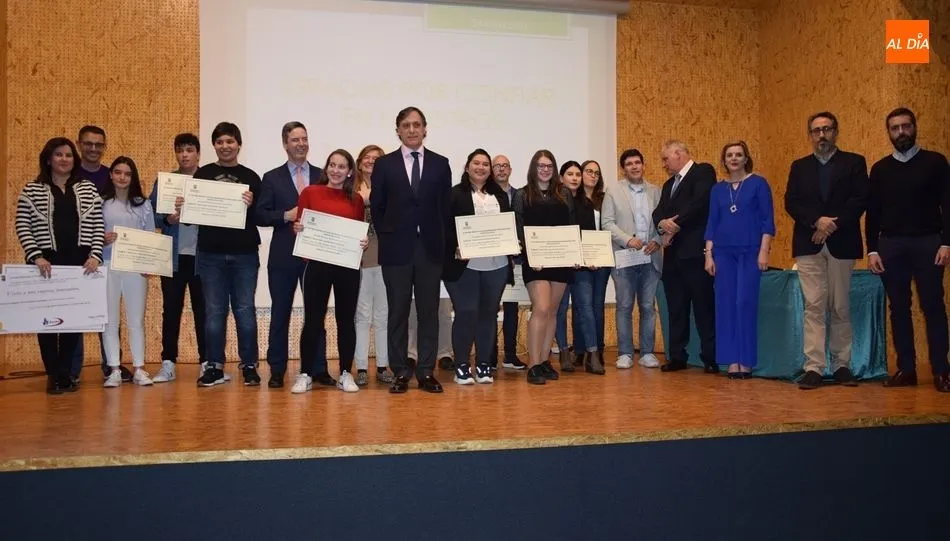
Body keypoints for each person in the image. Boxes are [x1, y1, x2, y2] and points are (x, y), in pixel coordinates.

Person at [867, 107, 950, 393]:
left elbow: (947, 205)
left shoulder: (936, 162)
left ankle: (942, 371)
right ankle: (907, 369)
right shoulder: (879, 170)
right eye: (895, 128)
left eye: (905, 126)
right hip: (891, 245)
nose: (901, 132)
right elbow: (872, 212)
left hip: (929, 242)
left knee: (933, 307)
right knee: (899, 308)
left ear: (914, 128)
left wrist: (946, 242)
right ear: (888, 132)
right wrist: (872, 250)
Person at [370, 106, 452, 394]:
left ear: (425, 128)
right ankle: (401, 371)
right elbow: (377, 208)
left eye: (417, 124)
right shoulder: (384, 164)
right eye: (406, 125)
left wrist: (446, 247)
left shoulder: (441, 164)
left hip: (430, 251)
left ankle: (427, 371)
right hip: (397, 251)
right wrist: (390, 236)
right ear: (398, 130)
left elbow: (445, 210)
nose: (412, 129)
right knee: (398, 312)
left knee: (429, 311)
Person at [784, 112, 868, 390]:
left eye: (827, 129)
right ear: (809, 135)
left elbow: (859, 199)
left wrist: (832, 224)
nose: (822, 135)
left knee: (840, 305)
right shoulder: (799, 166)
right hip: (808, 245)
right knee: (814, 307)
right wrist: (816, 221)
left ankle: (842, 365)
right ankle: (814, 367)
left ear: (836, 132)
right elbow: (792, 202)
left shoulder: (854, 163)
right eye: (816, 130)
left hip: (842, 243)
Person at [15, 137, 104, 393]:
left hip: (79, 265)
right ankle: (52, 373)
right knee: (45, 322)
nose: (64, 159)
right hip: (45, 264)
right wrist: (36, 256)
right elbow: (23, 226)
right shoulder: (31, 190)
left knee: (72, 322)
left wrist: (95, 255)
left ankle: (65, 372)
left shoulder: (87, 188)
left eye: (68, 155)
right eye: (59, 155)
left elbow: (98, 224)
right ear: (48, 159)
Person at [185, 122, 261, 387]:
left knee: (245, 310)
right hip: (210, 254)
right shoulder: (202, 175)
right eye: (219, 142)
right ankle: (214, 365)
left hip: (245, 254)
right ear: (214, 146)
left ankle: (249, 364)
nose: (225, 146)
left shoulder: (251, 176)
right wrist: (185, 206)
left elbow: (260, 215)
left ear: (239, 144)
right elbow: (191, 217)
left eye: (230, 141)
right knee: (214, 311)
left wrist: (251, 205)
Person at [256, 121, 331, 389]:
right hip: (283, 257)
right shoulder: (271, 177)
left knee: (316, 313)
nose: (301, 144)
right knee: (280, 313)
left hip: (315, 256)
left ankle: (318, 367)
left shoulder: (323, 175)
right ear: (285, 144)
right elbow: (260, 214)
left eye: (304, 139)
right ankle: (277, 369)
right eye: (295, 140)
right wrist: (283, 216)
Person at [291, 150, 368, 394]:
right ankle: (305, 374)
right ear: (327, 168)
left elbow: (356, 230)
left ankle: (346, 373)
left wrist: (362, 242)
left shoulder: (356, 199)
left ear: (349, 171)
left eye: (341, 166)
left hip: (346, 267)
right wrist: (299, 229)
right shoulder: (310, 193)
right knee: (313, 320)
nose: (336, 170)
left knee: (346, 320)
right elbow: (301, 226)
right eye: (332, 165)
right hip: (317, 264)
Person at [703, 142, 775, 378]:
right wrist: (709, 255)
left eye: (738, 155)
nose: (734, 158)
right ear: (724, 161)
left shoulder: (758, 184)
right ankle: (731, 360)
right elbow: (712, 223)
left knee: (744, 303)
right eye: (729, 155)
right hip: (723, 253)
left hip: (750, 251)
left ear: (746, 159)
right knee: (725, 306)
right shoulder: (717, 189)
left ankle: (746, 360)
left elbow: (767, 221)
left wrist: (764, 251)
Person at [443, 148, 514, 385]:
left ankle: (484, 365)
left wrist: (513, 243)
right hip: (464, 267)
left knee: (488, 315)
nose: (481, 167)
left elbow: (508, 225)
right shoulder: (454, 194)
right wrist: (454, 248)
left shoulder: (500, 196)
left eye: (486, 164)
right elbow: (444, 228)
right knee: (466, 313)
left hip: (497, 265)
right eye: (476, 163)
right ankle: (462, 365)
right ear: (467, 167)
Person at [652, 140, 717, 374]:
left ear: (678, 154)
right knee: (676, 309)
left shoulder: (703, 172)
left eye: (665, 158)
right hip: (672, 257)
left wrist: (674, 225)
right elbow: (658, 212)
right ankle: (677, 356)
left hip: (696, 253)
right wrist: (662, 224)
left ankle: (710, 357)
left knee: (703, 307)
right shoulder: (669, 184)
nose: (664, 164)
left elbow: (700, 203)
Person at [149, 133, 208, 383]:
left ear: (197, 153)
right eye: (180, 150)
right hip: (172, 258)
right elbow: (150, 215)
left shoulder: (209, 181)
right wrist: (167, 219)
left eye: (189, 149)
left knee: (204, 312)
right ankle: (167, 363)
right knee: (170, 311)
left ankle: (208, 362)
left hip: (202, 259)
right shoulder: (165, 182)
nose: (184, 154)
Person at [513, 149, 576, 385]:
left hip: (560, 259)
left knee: (553, 311)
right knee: (541, 307)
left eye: (549, 165)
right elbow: (518, 227)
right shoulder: (522, 194)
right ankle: (533, 364)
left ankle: (544, 360)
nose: (545, 169)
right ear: (533, 168)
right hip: (536, 261)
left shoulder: (565, 194)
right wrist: (529, 254)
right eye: (540, 165)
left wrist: (574, 252)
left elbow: (571, 226)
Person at [602, 149, 663, 369]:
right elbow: (607, 223)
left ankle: (647, 352)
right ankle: (625, 352)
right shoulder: (613, 191)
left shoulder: (657, 191)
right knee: (624, 306)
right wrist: (628, 240)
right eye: (629, 164)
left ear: (643, 165)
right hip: (624, 257)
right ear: (623, 168)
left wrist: (658, 240)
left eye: (638, 162)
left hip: (650, 257)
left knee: (648, 306)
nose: (634, 166)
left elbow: (663, 222)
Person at [73, 125, 125, 382]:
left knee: (106, 312)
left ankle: (112, 364)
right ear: (79, 144)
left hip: (104, 255)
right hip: (73, 254)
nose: (94, 149)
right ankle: (72, 370)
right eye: (88, 144)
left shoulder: (110, 176)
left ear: (104, 147)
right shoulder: (67, 174)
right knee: (75, 312)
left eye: (99, 145)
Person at [100, 157, 155, 387]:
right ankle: (113, 368)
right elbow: (90, 235)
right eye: (118, 172)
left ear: (133, 177)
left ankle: (139, 368)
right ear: (111, 174)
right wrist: (102, 240)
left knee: (136, 320)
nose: (122, 177)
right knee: (109, 320)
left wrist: (148, 264)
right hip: (107, 266)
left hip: (135, 268)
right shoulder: (100, 202)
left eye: (127, 173)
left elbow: (150, 236)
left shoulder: (143, 204)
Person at [554, 161, 603, 374]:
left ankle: (592, 355)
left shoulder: (586, 203)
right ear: (561, 177)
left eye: (577, 174)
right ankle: (564, 351)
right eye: (570, 174)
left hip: (582, 266)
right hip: (561, 266)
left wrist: (590, 256)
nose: (574, 178)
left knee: (586, 308)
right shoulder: (554, 202)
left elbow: (590, 235)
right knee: (561, 310)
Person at [354, 144, 393, 385]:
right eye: (366, 158)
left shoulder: (391, 188)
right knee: (361, 314)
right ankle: (360, 367)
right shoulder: (350, 190)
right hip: (359, 257)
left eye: (376, 159)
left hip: (386, 256)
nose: (371, 162)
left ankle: (382, 366)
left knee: (383, 314)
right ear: (358, 163)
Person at [490, 154, 526, 370]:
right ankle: (491, 356)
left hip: (518, 260)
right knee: (491, 309)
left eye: (505, 166)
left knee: (512, 307)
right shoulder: (486, 196)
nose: (501, 170)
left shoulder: (521, 195)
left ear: (510, 169)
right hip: (495, 259)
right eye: (497, 166)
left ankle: (510, 355)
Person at [580, 159, 610, 364]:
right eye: (589, 171)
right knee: (582, 306)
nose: (593, 175)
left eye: (596, 173)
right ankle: (581, 349)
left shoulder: (605, 199)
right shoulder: (572, 197)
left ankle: (598, 349)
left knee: (597, 305)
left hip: (602, 257)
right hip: (581, 259)